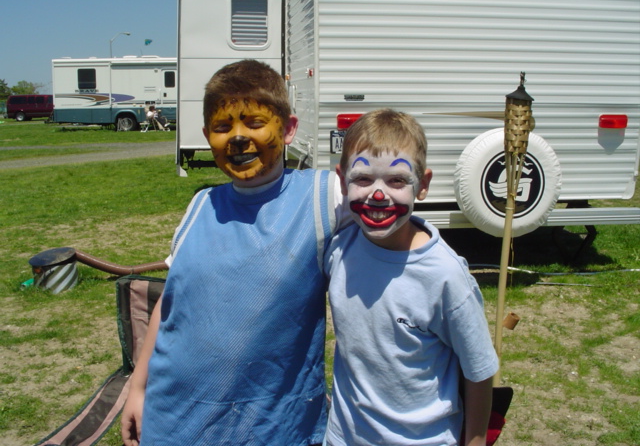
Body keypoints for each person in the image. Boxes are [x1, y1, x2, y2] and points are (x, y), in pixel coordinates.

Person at [121, 59, 346, 445]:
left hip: (272, 428)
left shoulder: (323, 197)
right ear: (207, 135)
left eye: (255, 123)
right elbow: (171, 304)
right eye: (223, 127)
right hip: (175, 419)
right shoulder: (200, 205)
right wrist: (137, 388)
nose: (238, 138)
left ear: (288, 129)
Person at [324, 109, 499, 446]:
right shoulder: (339, 248)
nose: (378, 194)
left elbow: (479, 370)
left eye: (397, 181)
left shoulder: (445, 276)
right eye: (363, 179)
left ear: (423, 185)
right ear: (343, 181)